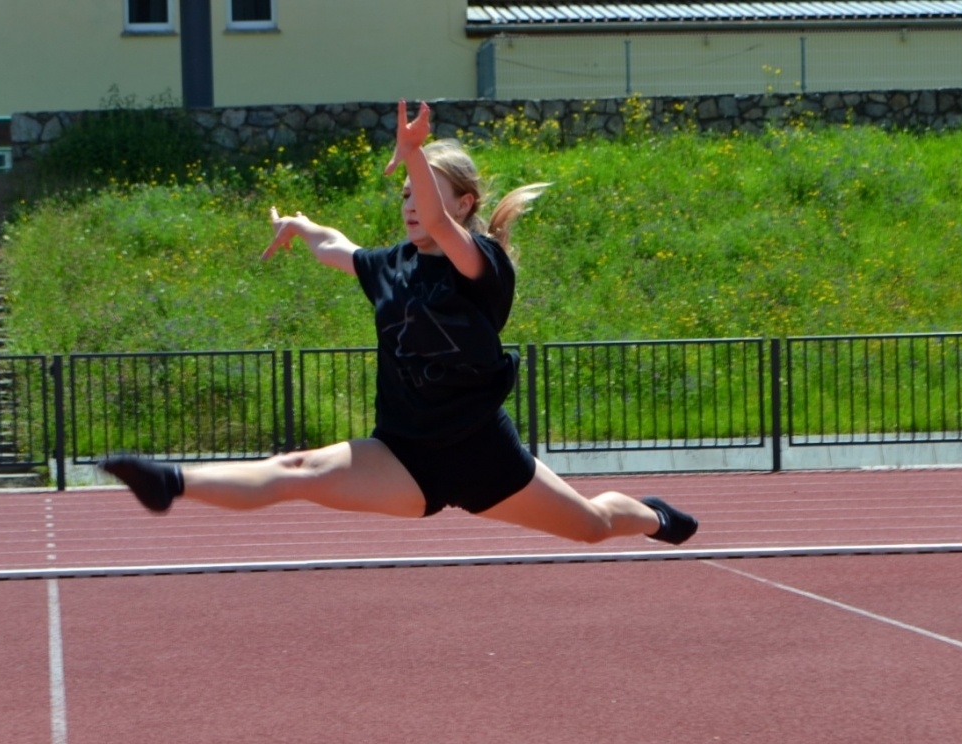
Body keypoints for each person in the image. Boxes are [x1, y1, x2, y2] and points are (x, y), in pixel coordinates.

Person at [101, 100, 698, 546]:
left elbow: (440, 229)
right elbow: (339, 247)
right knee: (298, 469)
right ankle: (170, 481)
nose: (411, 205)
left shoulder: (480, 262)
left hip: (482, 453)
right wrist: (304, 226)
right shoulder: (389, 266)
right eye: (406, 196)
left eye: (425, 194)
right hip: (405, 457)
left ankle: (652, 514)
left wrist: (413, 153)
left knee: (592, 526)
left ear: (464, 204)